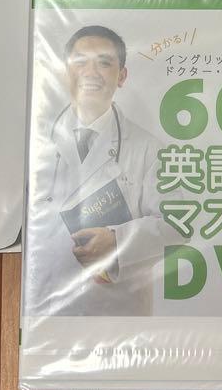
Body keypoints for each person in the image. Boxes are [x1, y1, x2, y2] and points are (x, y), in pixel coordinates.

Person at [25, 25, 177, 316]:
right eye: (80, 62)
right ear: (65, 73)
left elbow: (177, 224)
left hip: (116, 311)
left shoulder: (149, 148)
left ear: (122, 76)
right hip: (46, 307)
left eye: (104, 63)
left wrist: (117, 241)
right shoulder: (37, 143)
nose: (91, 72)